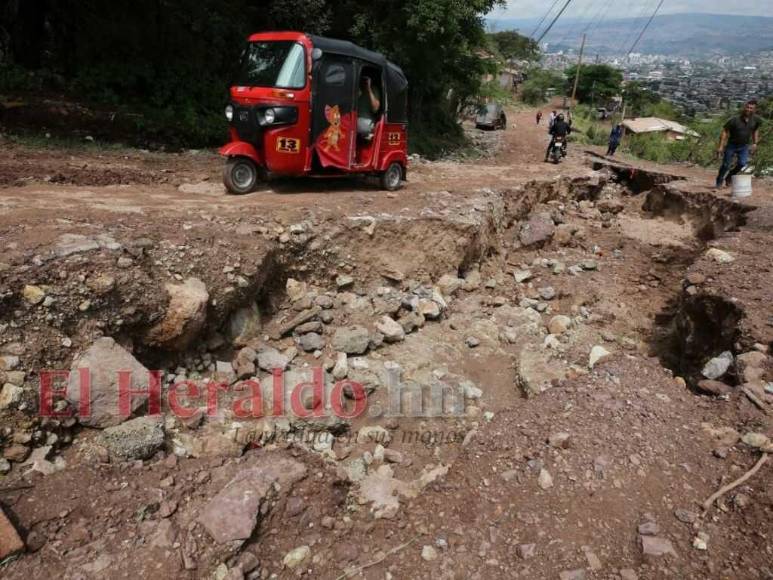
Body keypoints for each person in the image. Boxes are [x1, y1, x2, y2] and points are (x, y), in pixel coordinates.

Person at [715, 99, 762, 188]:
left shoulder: (755, 120)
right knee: (726, 165)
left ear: (754, 110)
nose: (748, 109)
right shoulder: (735, 119)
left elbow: (755, 130)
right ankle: (719, 181)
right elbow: (725, 131)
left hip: (744, 146)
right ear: (744, 107)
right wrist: (720, 146)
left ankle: (730, 176)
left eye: (751, 108)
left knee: (742, 163)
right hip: (731, 145)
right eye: (747, 107)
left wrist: (755, 143)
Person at [357, 75, 381, 141]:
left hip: (365, 122)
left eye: (366, 80)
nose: (364, 81)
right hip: (353, 119)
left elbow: (375, 108)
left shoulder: (373, 90)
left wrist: (369, 89)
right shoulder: (356, 89)